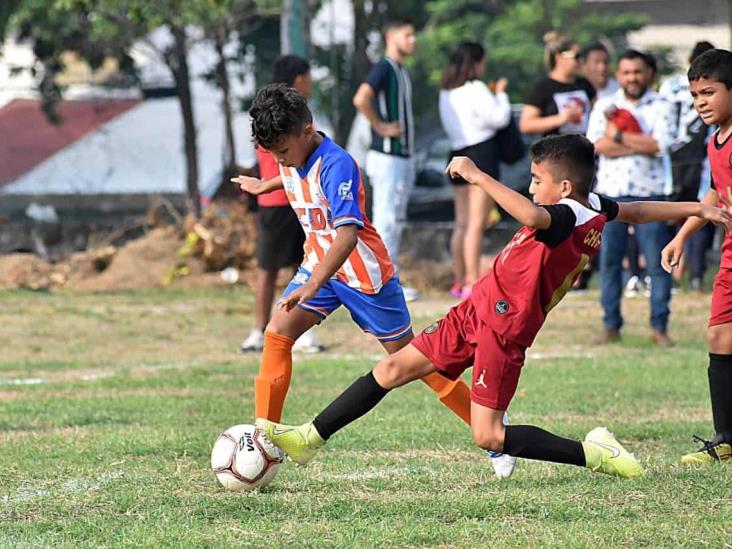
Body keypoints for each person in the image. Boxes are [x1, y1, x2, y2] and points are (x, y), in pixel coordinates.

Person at [256, 134, 731, 476]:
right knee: (394, 369)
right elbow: (639, 209)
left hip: (505, 332)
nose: (530, 188)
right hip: (477, 309)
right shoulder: (594, 207)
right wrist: (696, 208)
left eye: (536, 179)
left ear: (563, 188)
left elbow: (529, 214)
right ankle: (309, 438)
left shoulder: (564, 217)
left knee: (488, 436)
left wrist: (477, 174)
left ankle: (595, 453)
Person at [232, 84, 517, 476]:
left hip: (365, 277)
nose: (281, 160)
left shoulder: (338, 165)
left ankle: (494, 441)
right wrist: (267, 184)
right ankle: (265, 438)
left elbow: (347, 234)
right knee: (277, 331)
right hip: (320, 265)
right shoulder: (292, 153)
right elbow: (298, 176)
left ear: (306, 130)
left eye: (282, 151)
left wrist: (313, 284)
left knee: (421, 364)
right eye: (274, 154)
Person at [662, 48, 732, 464]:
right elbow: (714, 194)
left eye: (709, 92)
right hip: (728, 253)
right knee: (719, 337)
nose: (701, 102)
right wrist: (684, 235)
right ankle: (725, 439)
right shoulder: (714, 142)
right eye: (695, 95)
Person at [586, 49, 677, 346]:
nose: (632, 78)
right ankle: (610, 324)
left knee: (657, 262)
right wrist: (638, 143)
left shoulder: (662, 104)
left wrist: (619, 137)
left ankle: (659, 326)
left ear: (647, 73)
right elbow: (595, 145)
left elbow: (660, 144)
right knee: (610, 262)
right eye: (626, 72)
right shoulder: (605, 104)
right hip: (611, 194)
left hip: (651, 193)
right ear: (618, 75)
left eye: (637, 72)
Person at [240, 55, 323, 354]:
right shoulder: (282, 115)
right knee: (272, 267)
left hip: (294, 199)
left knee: (298, 266)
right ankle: (259, 330)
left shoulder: (290, 113)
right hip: (279, 199)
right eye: (309, 77)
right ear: (299, 79)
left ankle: (296, 330)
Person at [352, 17, 419, 302]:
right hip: (387, 155)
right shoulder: (384, 67)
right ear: (392, 37)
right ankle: (382, 281)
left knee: (397, 218)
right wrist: (379, 126)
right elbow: (361, 98)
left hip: (402, 156)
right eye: (408, 34)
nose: (413, 40)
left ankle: (390, 276)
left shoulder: (402, 71)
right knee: (386, 218)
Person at [438, 41, 511, 298]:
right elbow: (499, 118)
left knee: (462, 223)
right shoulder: (477, 88)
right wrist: (501, 94)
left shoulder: (446, 92)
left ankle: (459, 280)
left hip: (457, 153)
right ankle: (472, 281)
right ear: (475, 63)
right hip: (481, 154)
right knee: (476, 225)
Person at [660, 41, 716, 292]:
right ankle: (690, 273)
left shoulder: (671, 85)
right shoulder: (676, 86)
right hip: (692, 158)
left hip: (677, 158)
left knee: (681, 212)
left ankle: (680, 273)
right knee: (692, 211)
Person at [519, 33, 596, 136]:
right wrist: (559, 119)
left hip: (583, 147)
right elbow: (526, 125)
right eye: (576, 56)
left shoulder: (584, 84)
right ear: (559, 57)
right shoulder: (543, 86)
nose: (580, 61)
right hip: (556, 148)